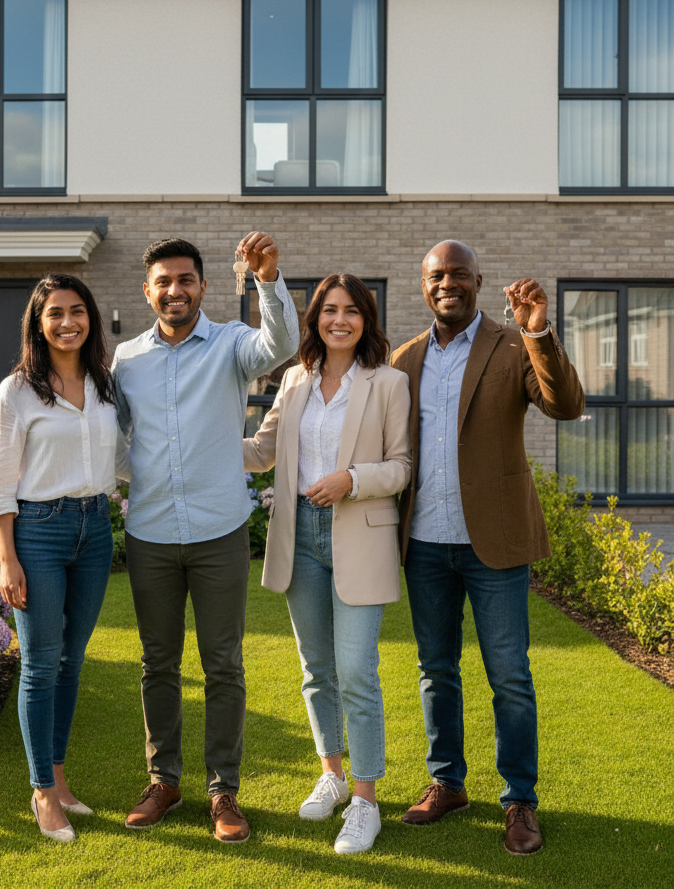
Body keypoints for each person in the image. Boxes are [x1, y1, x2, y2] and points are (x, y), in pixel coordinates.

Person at [390, 241, 584, 856]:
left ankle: (519, 800)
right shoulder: (405, 359)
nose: (447, 283)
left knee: (510, 676)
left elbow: (566, 405)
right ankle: (447, 784)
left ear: (478, 281)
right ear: (424, 285)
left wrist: (541, 333)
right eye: (436, 275)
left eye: (458, 274)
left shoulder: (511, 344)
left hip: (493, 543)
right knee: (435, 672)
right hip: (424, 543)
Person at [113, 233, 299, 843]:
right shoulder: (126, 360)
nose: (175, 291)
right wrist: (132, 473)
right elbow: (111, 438)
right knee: (158, 663)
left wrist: (267, 281)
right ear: (148, 292)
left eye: (185, 280)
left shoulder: (232, 346)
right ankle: (163, 780)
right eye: (163, 282)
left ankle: (224, 791)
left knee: (223, 665)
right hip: (151, 534)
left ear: (202, 286)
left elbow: (284, 344)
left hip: (220, 531)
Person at [243, 274, 410, 854]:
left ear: (366, 319)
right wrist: (197, 431)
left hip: (359, 536)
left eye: (352, 311)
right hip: (301, 537)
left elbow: (401, 467)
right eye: (329, 311)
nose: (340, 320)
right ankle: (333, 775)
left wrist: (352, 480)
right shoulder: (293, 380)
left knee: (357, 670)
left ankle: (365, 800)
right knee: (317, 669)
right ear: (314, 319)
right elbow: (262, 452)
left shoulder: (388, 382)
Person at [0, 273, 119, 844]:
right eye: (56, 314)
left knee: (72, 659)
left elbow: (127, 454)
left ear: (91, 318)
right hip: (37, 532)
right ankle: (42, 791)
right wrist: (8, 558)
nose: (69, 323)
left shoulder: (104, 384)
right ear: (38, 324)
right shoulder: (17, 391)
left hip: (95, 529)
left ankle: (60, 780)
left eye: (78, 311)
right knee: (41, 662)